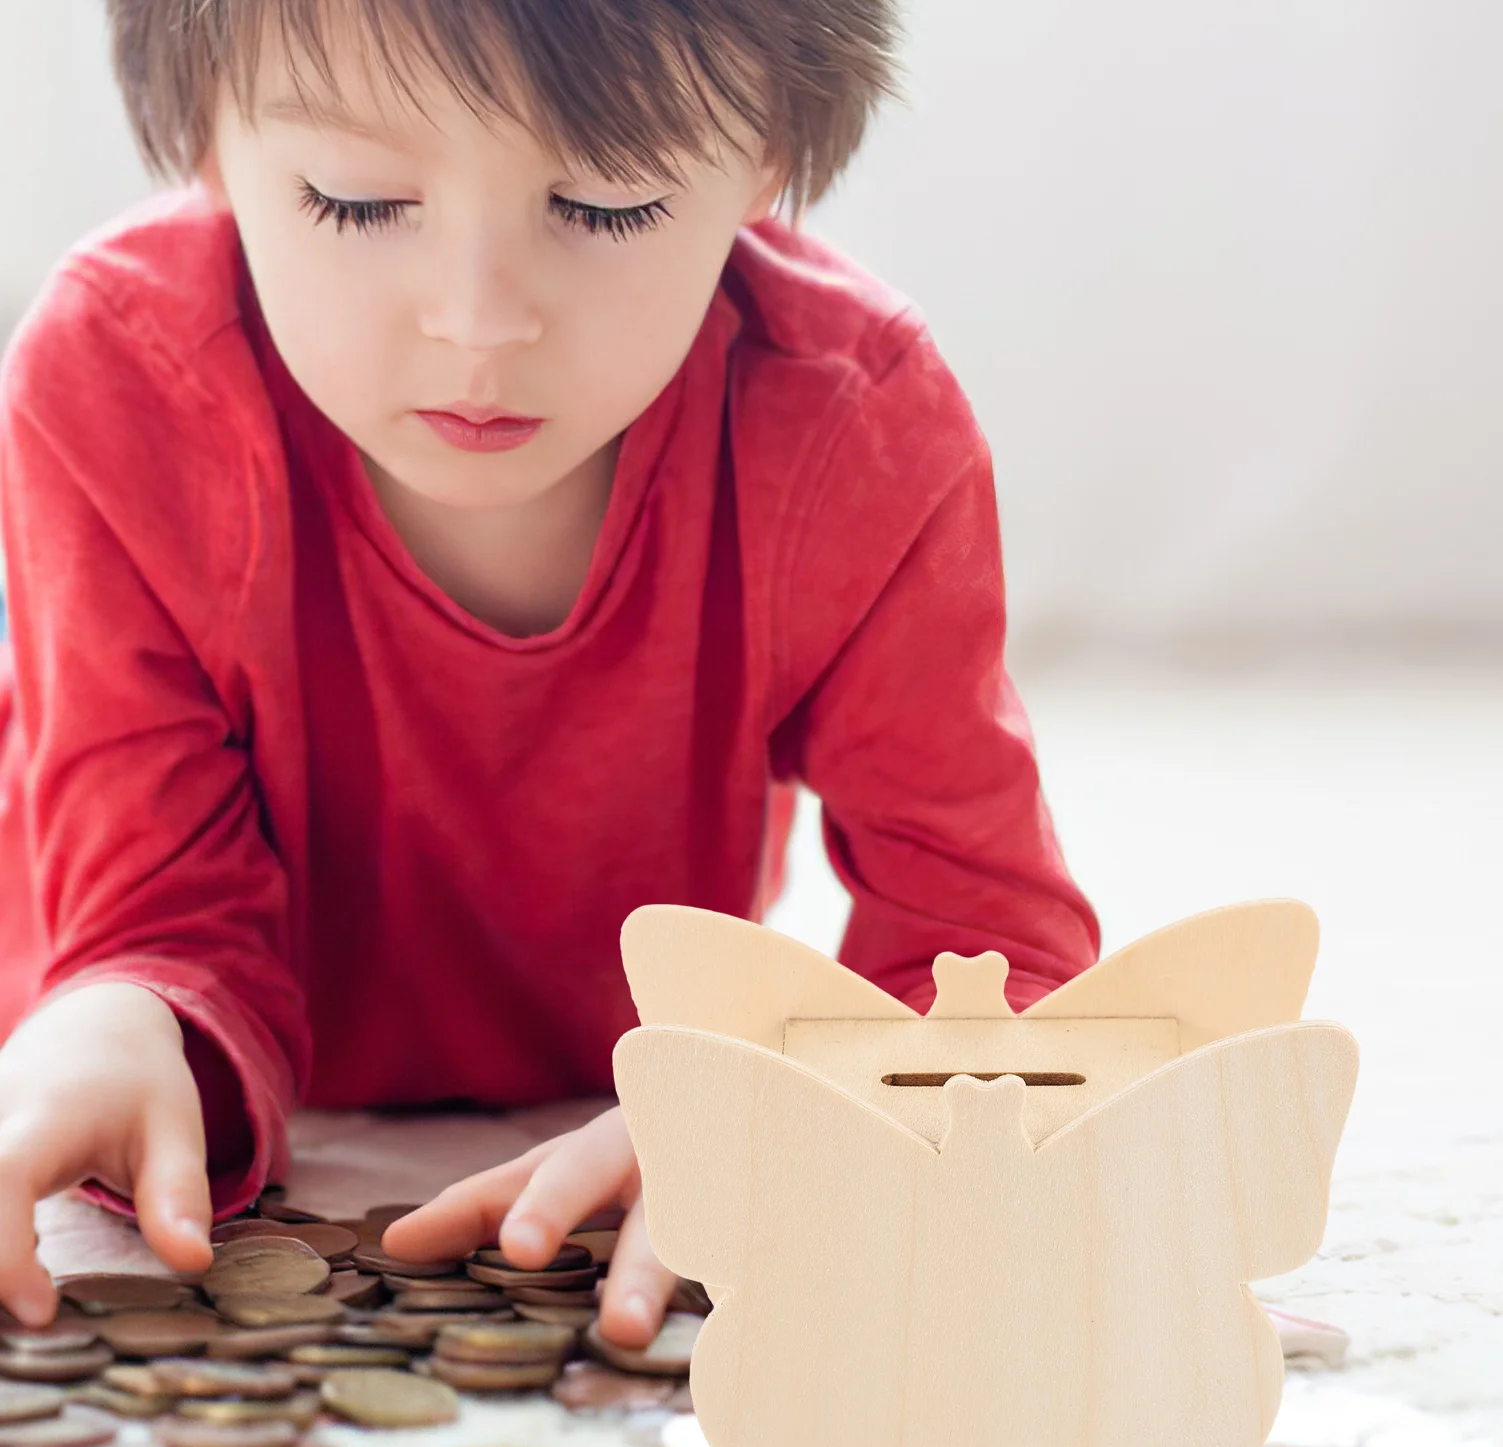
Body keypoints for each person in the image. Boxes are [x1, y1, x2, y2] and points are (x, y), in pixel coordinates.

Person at [0, 0, 1099, 1342]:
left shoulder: (850, 427)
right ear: (207, 148)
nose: (479, 325)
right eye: (353, 202)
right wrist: (117, 1016)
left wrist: (806, 1107)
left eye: (609, 204)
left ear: (767, 159)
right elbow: (151, 916)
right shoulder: (124, 379)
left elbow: (999, 969)